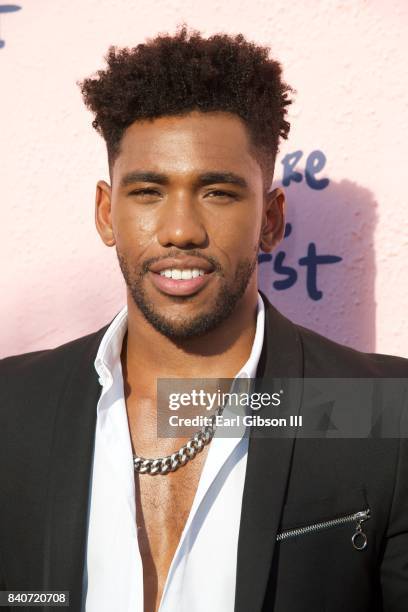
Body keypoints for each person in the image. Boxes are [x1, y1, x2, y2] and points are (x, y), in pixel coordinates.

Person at [0, 26, 407, 612]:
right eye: (147, 192)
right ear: (106, 213)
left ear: (270, 220)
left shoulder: (380, 413)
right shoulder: (13, 407)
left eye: (217, 192)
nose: (181, 229)